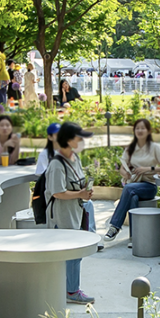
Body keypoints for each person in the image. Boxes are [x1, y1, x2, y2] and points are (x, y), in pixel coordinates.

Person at [43, 121, 95, 304]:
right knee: (72, 254)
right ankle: (71, 291)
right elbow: (57, 192)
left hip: (75, 213)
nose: (81, 141)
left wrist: (84, 191)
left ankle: (68, 288)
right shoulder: (57, 164)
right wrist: (80, 193)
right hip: (62, 216)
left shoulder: (75, 158)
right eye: (78, 138)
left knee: (75, 253)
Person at [103, 118, 160, 242]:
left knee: (128, 189)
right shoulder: (130, 148)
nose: (140, 130)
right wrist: (126, 174)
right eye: (137, 128)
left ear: (148, 131)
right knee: (132, 196)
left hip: (149, 186)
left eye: (142, 128)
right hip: (134, 185)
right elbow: (122, 168)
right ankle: (134, 237)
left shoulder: (154, 147)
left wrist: (148, 169)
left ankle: (115, 226)